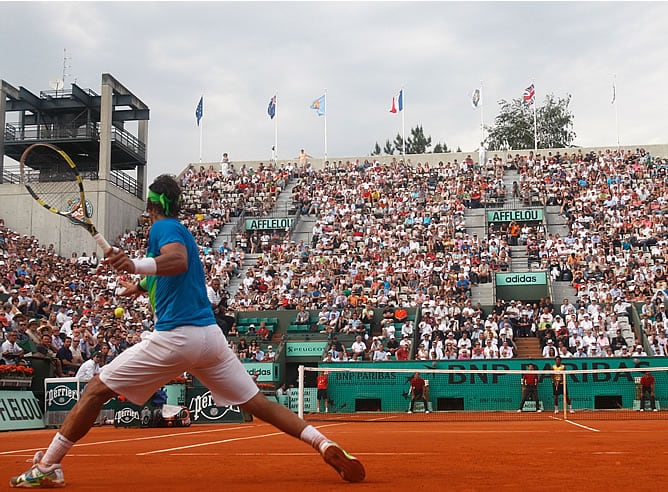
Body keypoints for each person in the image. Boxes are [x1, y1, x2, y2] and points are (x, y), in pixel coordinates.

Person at [10, 174, 364, 488]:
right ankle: (324, 443)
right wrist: (137, 283)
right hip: (209, 339)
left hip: (177, 337)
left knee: (96, 388)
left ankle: (48, 465)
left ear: (151, 204)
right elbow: (169, 273)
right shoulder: (178, 234)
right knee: (257, 402)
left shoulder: (164, 228)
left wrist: (135, 263)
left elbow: (175, 261)